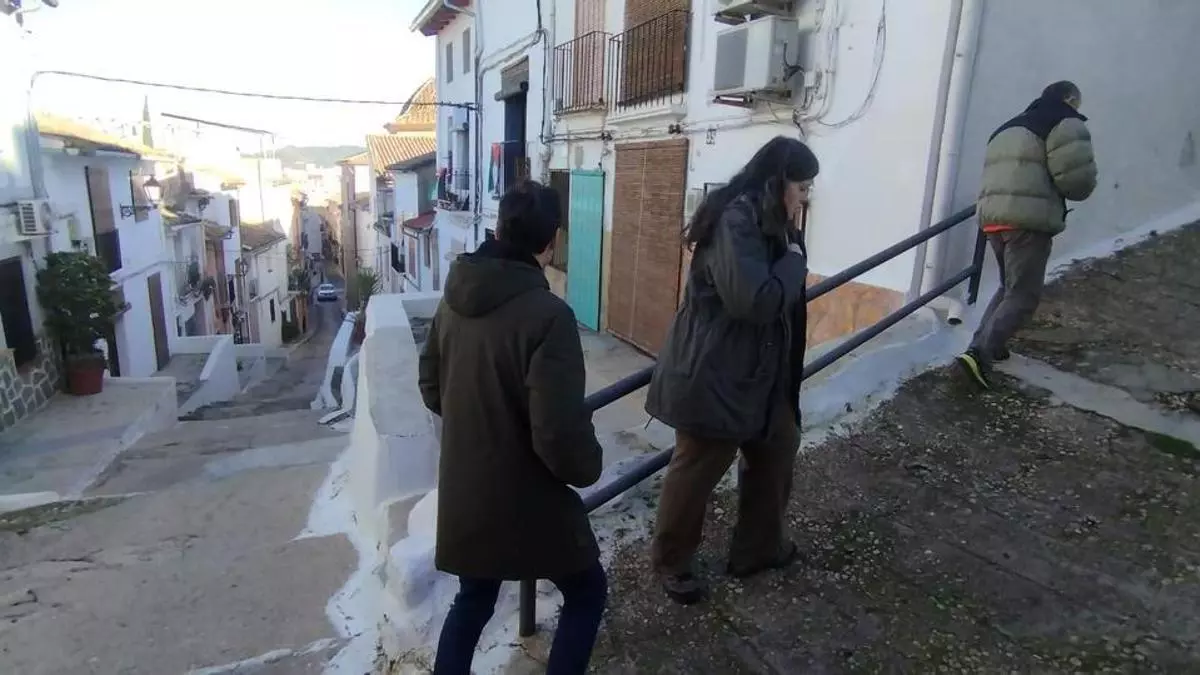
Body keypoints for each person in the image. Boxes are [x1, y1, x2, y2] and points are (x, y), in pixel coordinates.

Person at [418, 181, 607, 674]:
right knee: (587, 590)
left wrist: (479, 423)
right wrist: (588, 466)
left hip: (467, 489)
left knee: (473, 599)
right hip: (529, 497)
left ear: (498, 229)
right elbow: (557, 433)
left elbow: (431, 386)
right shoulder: (549, 316)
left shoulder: (453, 298)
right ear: (551, 243)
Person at [644, 136, 819, 605]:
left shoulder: (775, 223)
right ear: (779, 182)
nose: (805, 198)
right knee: (697, 469)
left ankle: (757, 549)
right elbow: (754, 300)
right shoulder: (736, 220)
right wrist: (795, 264)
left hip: (762, 374)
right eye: (802, 188)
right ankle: (671, 562)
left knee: (778, 447)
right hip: (715, 373)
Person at [958, 80, 1098, 389]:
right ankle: (978, 354)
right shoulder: (1064, 121)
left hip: (993, 221)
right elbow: (1077, 181)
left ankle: (988, 346)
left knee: (1009, 287)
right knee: (1023, 295)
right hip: (1027, 222)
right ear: (1070, 99)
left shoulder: (1008, 127)